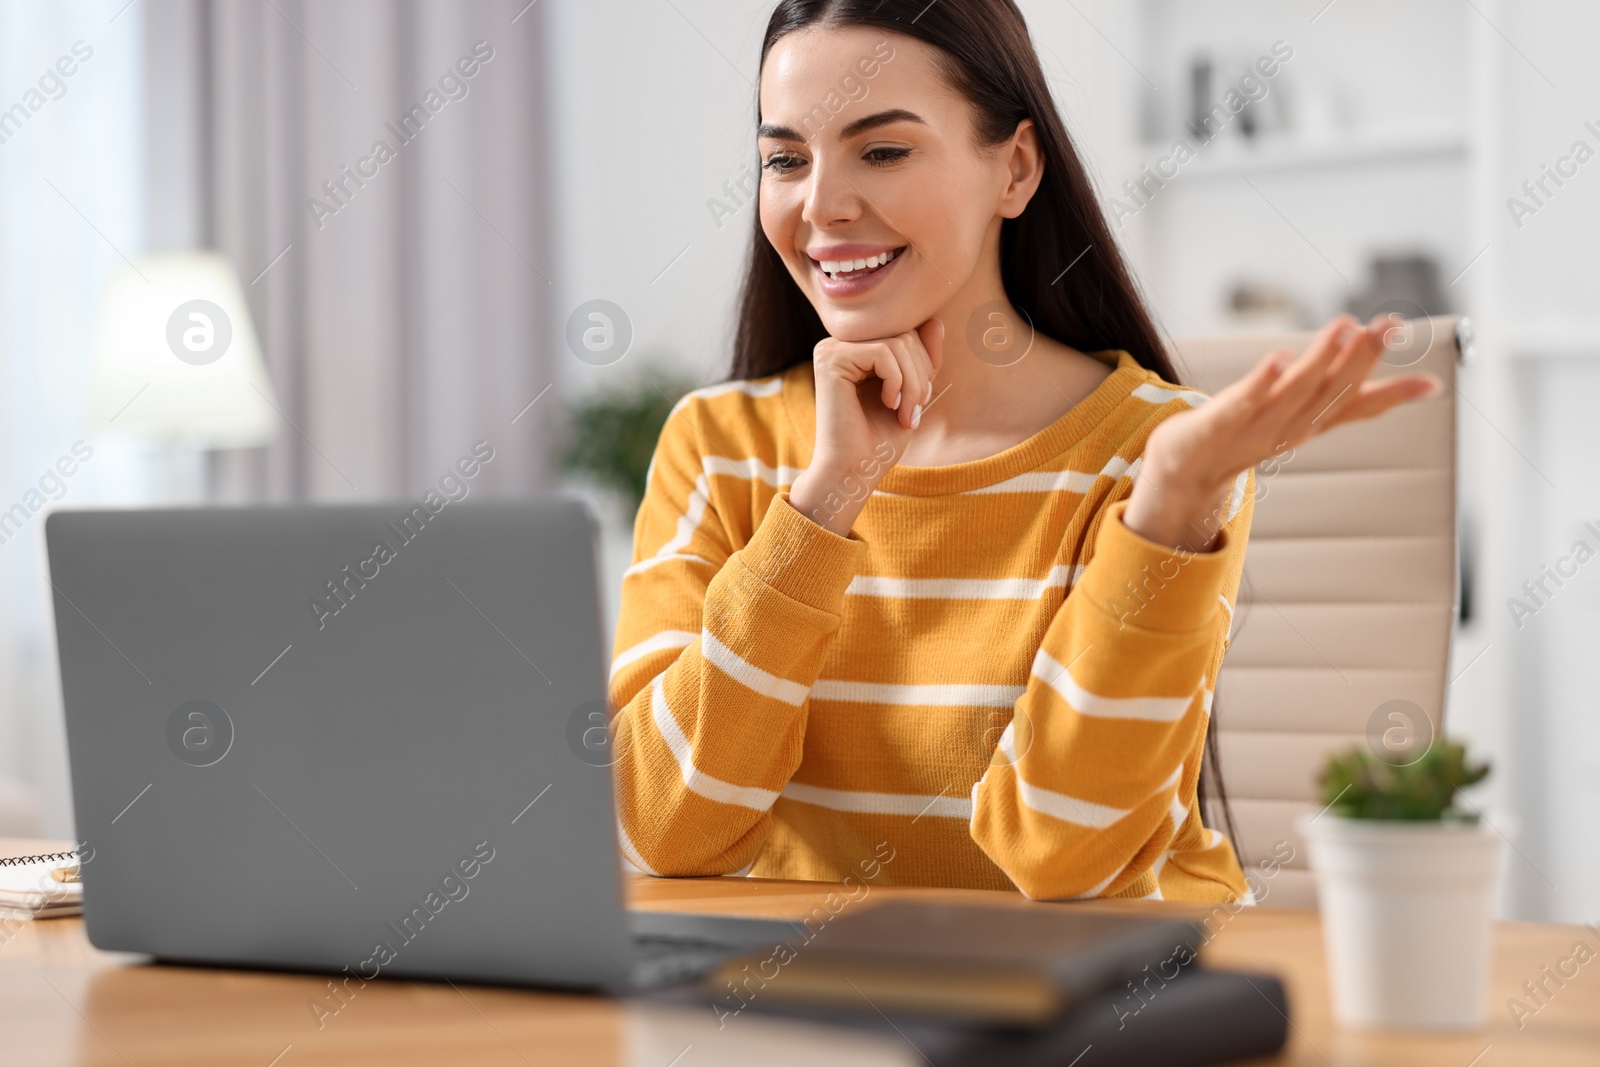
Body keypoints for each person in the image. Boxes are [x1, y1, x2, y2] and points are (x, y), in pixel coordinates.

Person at [606, 0, 1440, 901]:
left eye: (882, 151)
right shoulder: (718, 445)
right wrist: (823, 504)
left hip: (1100, 1008)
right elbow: (657, 829)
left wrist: (1166, 510)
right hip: (815, 1009)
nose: (823, 206)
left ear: (1015, 168)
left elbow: (1060, 856)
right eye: (785, 160)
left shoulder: (1160, 452)